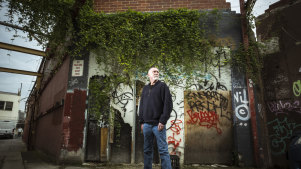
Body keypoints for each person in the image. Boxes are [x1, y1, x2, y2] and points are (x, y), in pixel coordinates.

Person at [139, 67, 173, 169]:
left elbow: (168, 105)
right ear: (148, 74)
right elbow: (142, 105)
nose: (156, 73)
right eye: (154, 71)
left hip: (158, 125)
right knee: (147, 150)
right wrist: (141, 122)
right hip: (146, 125)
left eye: (157, 71)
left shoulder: (163, 86)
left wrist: (162, 121)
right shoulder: (145, 88)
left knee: (163, 150)